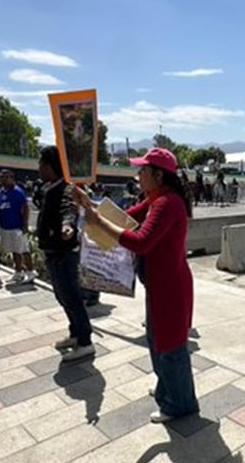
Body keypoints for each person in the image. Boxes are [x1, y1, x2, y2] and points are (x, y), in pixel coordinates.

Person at [80, 148, 198, 423]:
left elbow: (141, 241)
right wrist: (88, 206)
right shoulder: (156, 199)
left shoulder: (167, 203)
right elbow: (123, 218)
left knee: (171, 347)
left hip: (171, 287)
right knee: (157, 340)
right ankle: (166, 389)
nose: (138, 175)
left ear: (158, 175)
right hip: (159, 285)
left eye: (142, 170)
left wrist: (97, 220)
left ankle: (180, 404)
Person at [36, 147, 95, 362]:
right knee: (63, 297)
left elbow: (68, 210)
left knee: (71, 297)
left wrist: (67, 226)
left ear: (51, 166)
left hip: (64, 254)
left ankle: (86, 342)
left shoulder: (67, 189)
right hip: (53, 253)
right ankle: (75, 333)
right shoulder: (48, 188)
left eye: (41, 164)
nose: (39, 168)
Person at [0, 169, 35, 285]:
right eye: (2, 177)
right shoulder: (1, 192)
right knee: (14, 250)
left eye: (7, 177)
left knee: (24, 250)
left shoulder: (18, 192)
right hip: (6, 227)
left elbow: (26, 208)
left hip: (17, 227)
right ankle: (18, 272)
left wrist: (25, 224)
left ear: (12, 178)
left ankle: (31, 272)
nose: (4, 179)